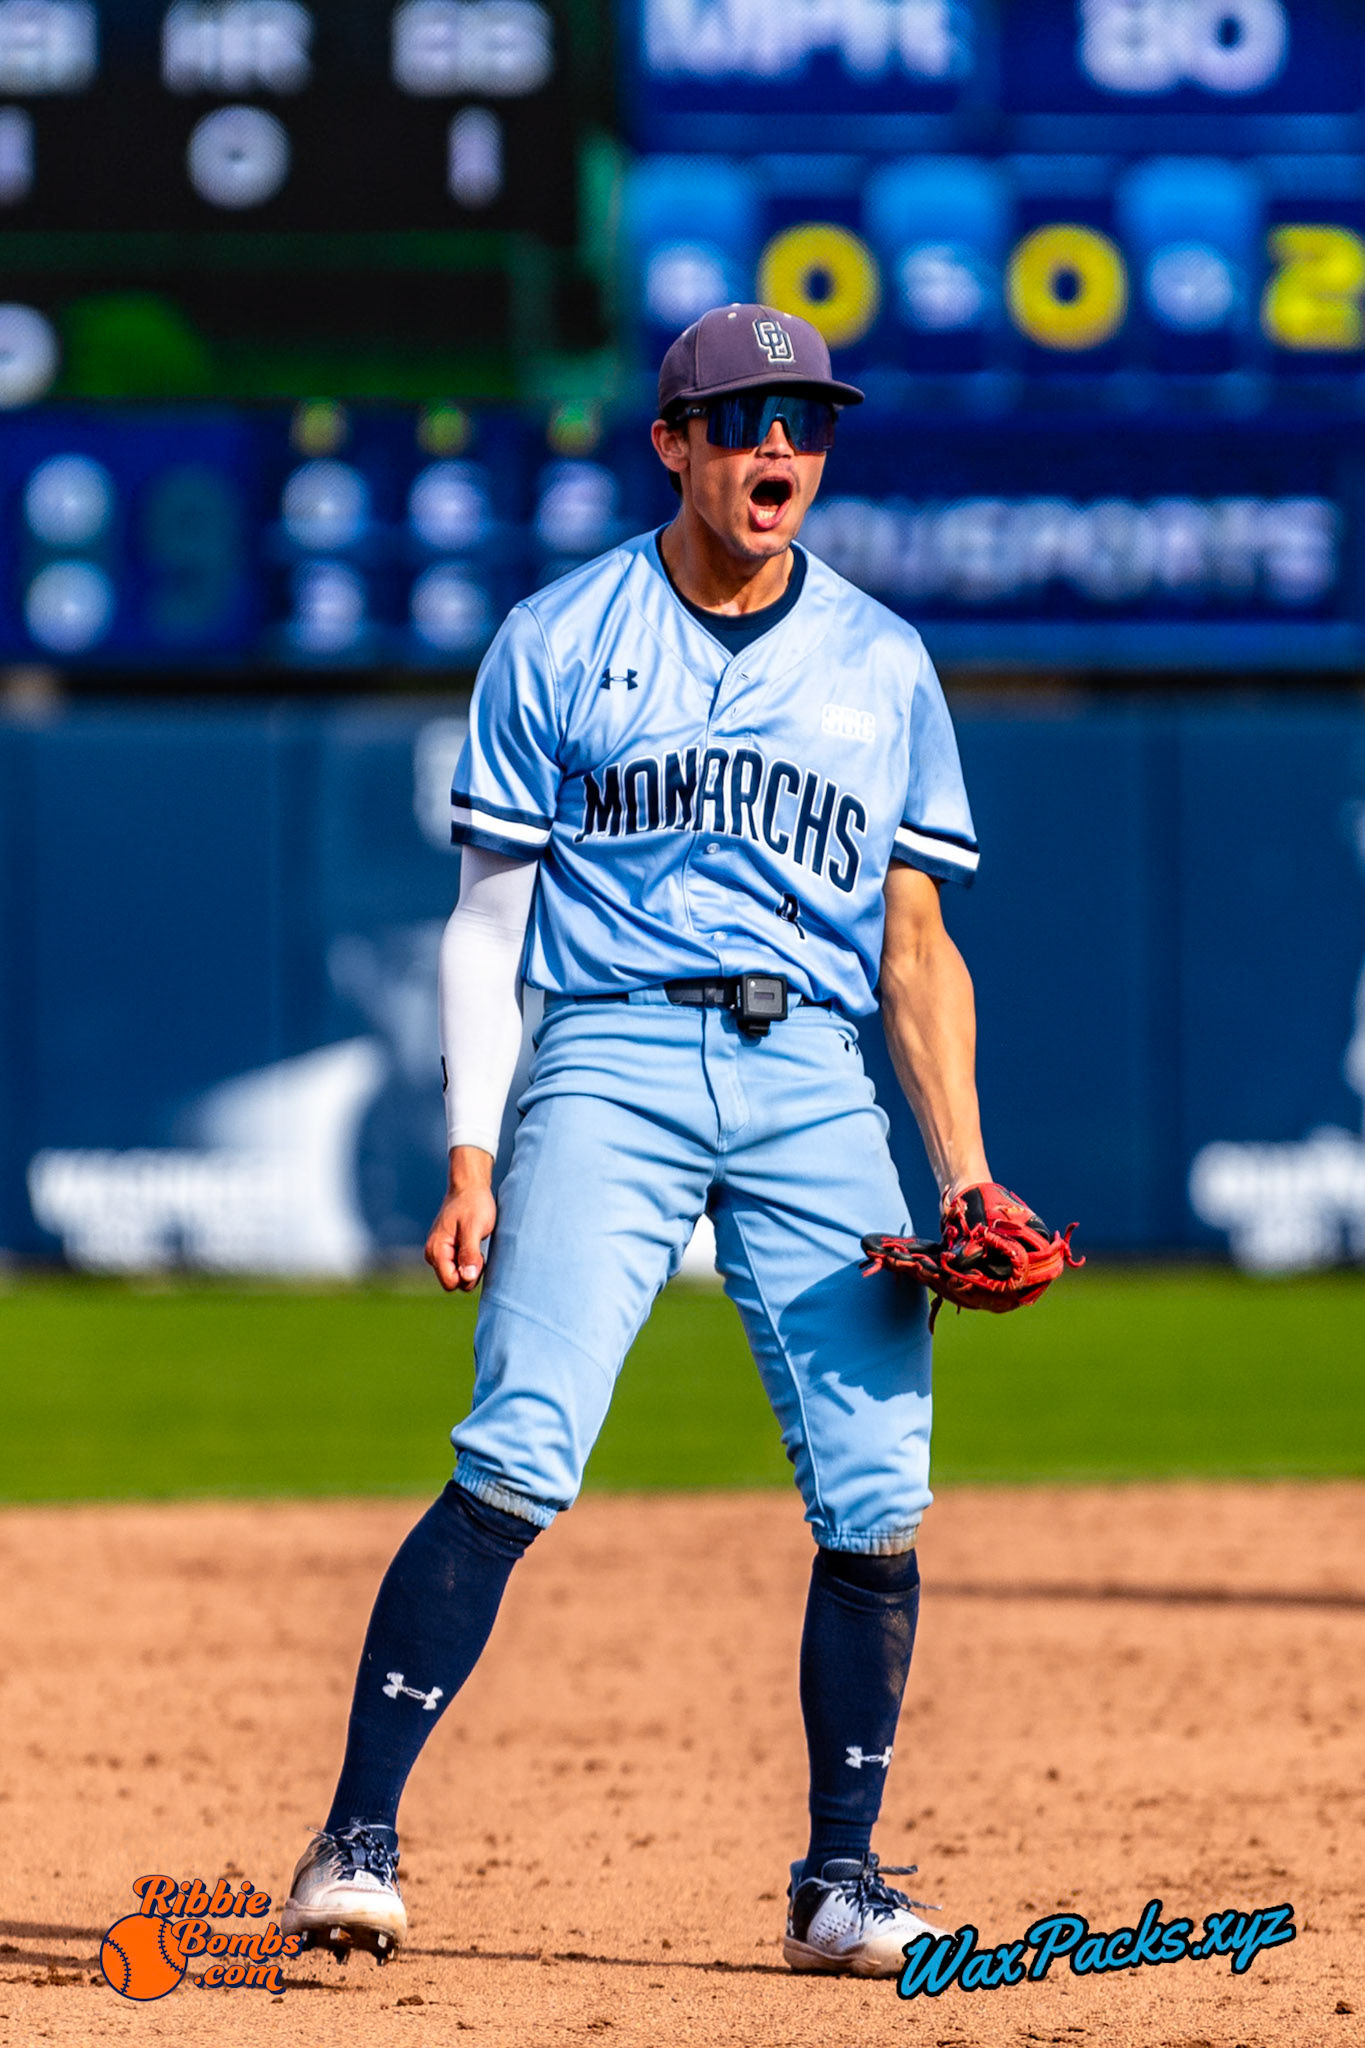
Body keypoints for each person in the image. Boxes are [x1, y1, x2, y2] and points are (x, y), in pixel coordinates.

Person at [281, 304, 996, 1978]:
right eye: (741, 418)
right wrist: (472, 1151)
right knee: (519, 1450)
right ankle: (355, 1838)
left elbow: (913, 946)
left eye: (804, 422)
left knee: (878, 1492)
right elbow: (487, 915)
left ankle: (840, 1876)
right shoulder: (559, 632)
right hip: (610, 1047)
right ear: (669, 443)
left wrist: (961, 1171)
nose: (777, 450)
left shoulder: (881, 660)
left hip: (816, 1070)